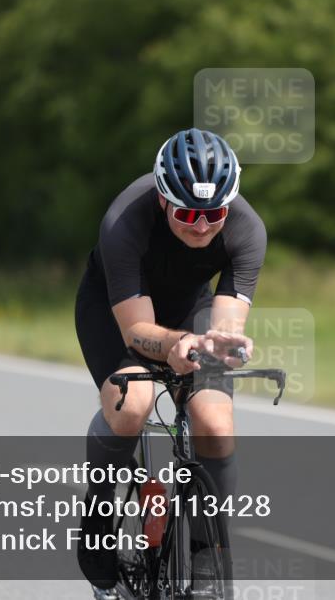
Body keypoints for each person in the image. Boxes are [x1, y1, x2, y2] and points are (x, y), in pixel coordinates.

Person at [74, 128, 266, 596]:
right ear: (163, 200)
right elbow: (137, 331)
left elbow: (225, 323)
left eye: (213, 214)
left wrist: (223, 345)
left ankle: (204, 549)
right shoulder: (125, 219)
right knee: (133, 402)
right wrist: (178, 345)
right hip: (118, 309)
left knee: (215, 421)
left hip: (189, 308)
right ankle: (100, 510)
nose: (201, 226)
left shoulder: (248, 230)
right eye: (186, 213)